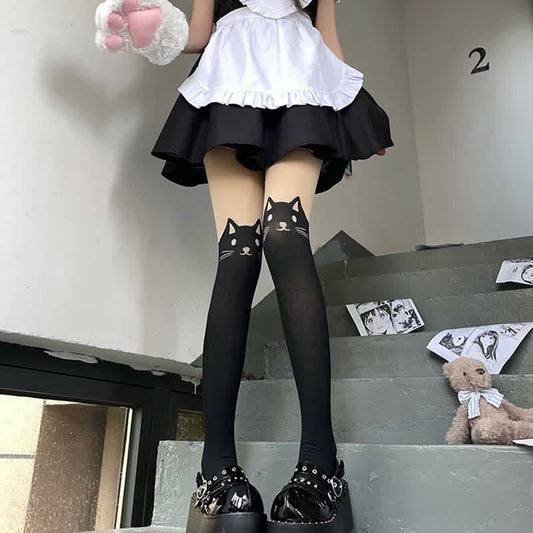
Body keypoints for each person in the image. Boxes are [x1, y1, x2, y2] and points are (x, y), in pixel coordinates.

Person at [98, 1, 393, 531]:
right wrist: (153, 31)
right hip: (228, 81)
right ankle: (217, 468)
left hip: (301, 83)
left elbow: (326, 34)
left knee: (285, 236)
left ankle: (320, 462)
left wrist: (356, 108)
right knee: (237, 255)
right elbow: (199, 33)